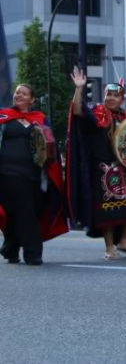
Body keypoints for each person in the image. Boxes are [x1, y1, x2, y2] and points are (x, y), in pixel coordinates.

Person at [67, 69, 126, 259]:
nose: (111, 98)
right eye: (108, 94)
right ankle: (109, 248)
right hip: (103, 169)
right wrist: (79, 88)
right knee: (108, 210)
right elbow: (78, 109)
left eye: (116, 95)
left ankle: (124, 240)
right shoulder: (97, 113)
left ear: (122, 99)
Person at [0, 84, 68, 265]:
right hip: (8, 173)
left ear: (32, 100)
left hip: (35, 174)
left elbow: (50, 143)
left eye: (24, 93)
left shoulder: (39, 118)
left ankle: (10, 249)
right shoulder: (4, 115)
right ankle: (33, 253)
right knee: (25, 211)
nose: (19, 95)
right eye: (17, 93)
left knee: (23, 211)